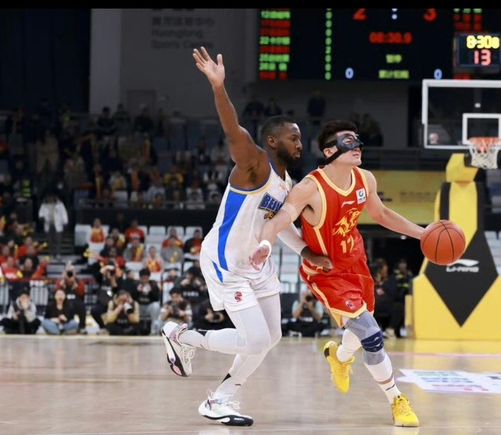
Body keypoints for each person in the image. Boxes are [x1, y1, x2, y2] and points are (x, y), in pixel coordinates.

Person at [161, 46, 331, 427]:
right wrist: (218, 88)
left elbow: (283, 225)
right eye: (293, 138)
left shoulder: (287, 183)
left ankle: (221, 398)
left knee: (272, 336)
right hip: (227, 260)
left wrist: (306, 252)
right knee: (254, 340)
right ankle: (182, 336)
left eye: (300, 138)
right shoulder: (254, 164)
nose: (299, 143)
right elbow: (231, 129)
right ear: (272, 141)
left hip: (257, 262)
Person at [249, 119, 424, 427]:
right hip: (326, 271)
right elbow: (279, 219)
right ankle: (397, 400)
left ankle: (339, 357)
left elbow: (382, 214)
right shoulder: (309, 188)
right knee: (371, 334)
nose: (357, 146)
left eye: (358, 140)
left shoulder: (365, 179)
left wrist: (422, 234)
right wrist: (265, 243)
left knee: (358, 333)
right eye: (348, 141)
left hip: (356, 262)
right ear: (330, 151)